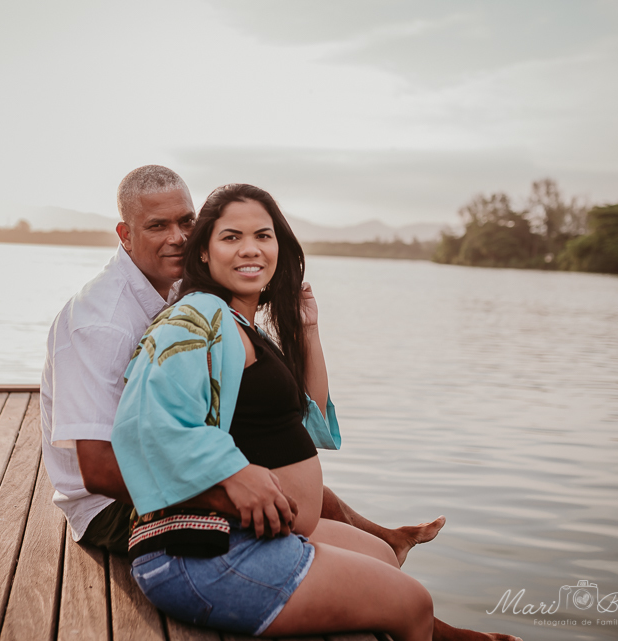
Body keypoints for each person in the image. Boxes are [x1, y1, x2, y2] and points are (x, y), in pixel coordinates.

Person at [111, 183, 521, 640]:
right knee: (413, 602)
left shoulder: (239, 321)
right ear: (203, 252)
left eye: (263, 236)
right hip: (200, 553)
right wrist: (232, 471)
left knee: (383, 557)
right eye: (231, 237)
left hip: (258, 532)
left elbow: (308, 422)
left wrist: (307, 329)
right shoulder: (196, 317)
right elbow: (142, 422)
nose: (250, 249)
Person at [40, 165, 442, 560]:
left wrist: (305, 328)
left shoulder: (188, 293)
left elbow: (297, 412)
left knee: (306, 492)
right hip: (110, 508)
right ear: (125, 235)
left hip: (165, 461)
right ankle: (392, 584)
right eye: (157, 226)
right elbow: (98, 471)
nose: (178, 238)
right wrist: (230, 487)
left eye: (186, 222)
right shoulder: (100, 322)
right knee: (284, 504)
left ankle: (387, 544)